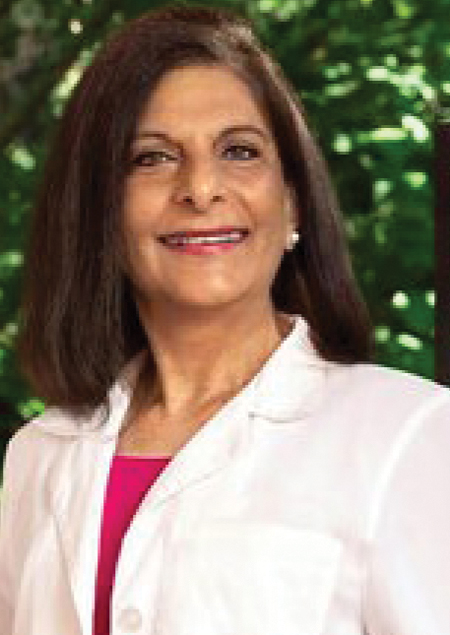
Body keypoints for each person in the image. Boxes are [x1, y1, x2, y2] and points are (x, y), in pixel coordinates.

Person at [0, 4, 449, 634]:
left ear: (292, 203)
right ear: (100, 209)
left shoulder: (407, 435)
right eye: (152, 158)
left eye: (239, 151)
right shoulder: (37, 455)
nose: (201, 188)